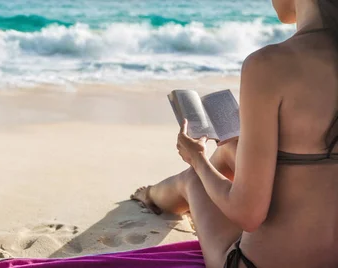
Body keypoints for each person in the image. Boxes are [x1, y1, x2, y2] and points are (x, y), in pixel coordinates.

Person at [130, 0, 338, 267]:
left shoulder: (269, 64)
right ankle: (156, 194)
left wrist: (197, 159)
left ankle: (152, 196)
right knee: (230, 149)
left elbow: (248, 215)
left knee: (193, 179)